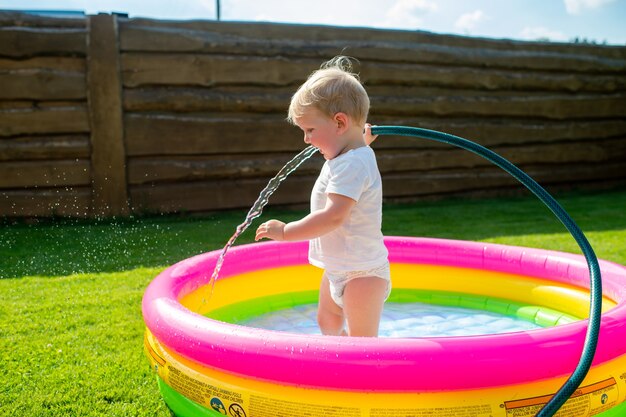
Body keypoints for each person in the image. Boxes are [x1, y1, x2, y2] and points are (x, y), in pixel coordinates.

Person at [255, 56, 389, 337]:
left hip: (363, 275)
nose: (306, 139)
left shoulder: (353, 163)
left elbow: (334, 216)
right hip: (337, 269)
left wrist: (286, 232)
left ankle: (363, 379)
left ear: (340, 122)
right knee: (327, 322)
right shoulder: (351, 156)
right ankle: (339, 373)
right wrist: (360, 142)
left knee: (363, 343)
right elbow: (356, 154)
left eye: (310, 130)